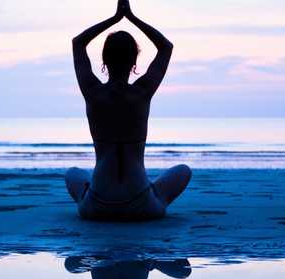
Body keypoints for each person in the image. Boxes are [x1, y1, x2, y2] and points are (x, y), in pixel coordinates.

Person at [65, 0, 191, 221]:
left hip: (97, 205)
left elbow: (78, 43)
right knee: (183, 170)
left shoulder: (93, 93)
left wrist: (114, 18)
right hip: (140, 203)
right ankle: (151, 191)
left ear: (104, 60)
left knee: (73, 173)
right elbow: (165, 47)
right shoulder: (142, 93)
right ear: (134, 61)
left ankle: (88, 194)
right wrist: (131, 17)